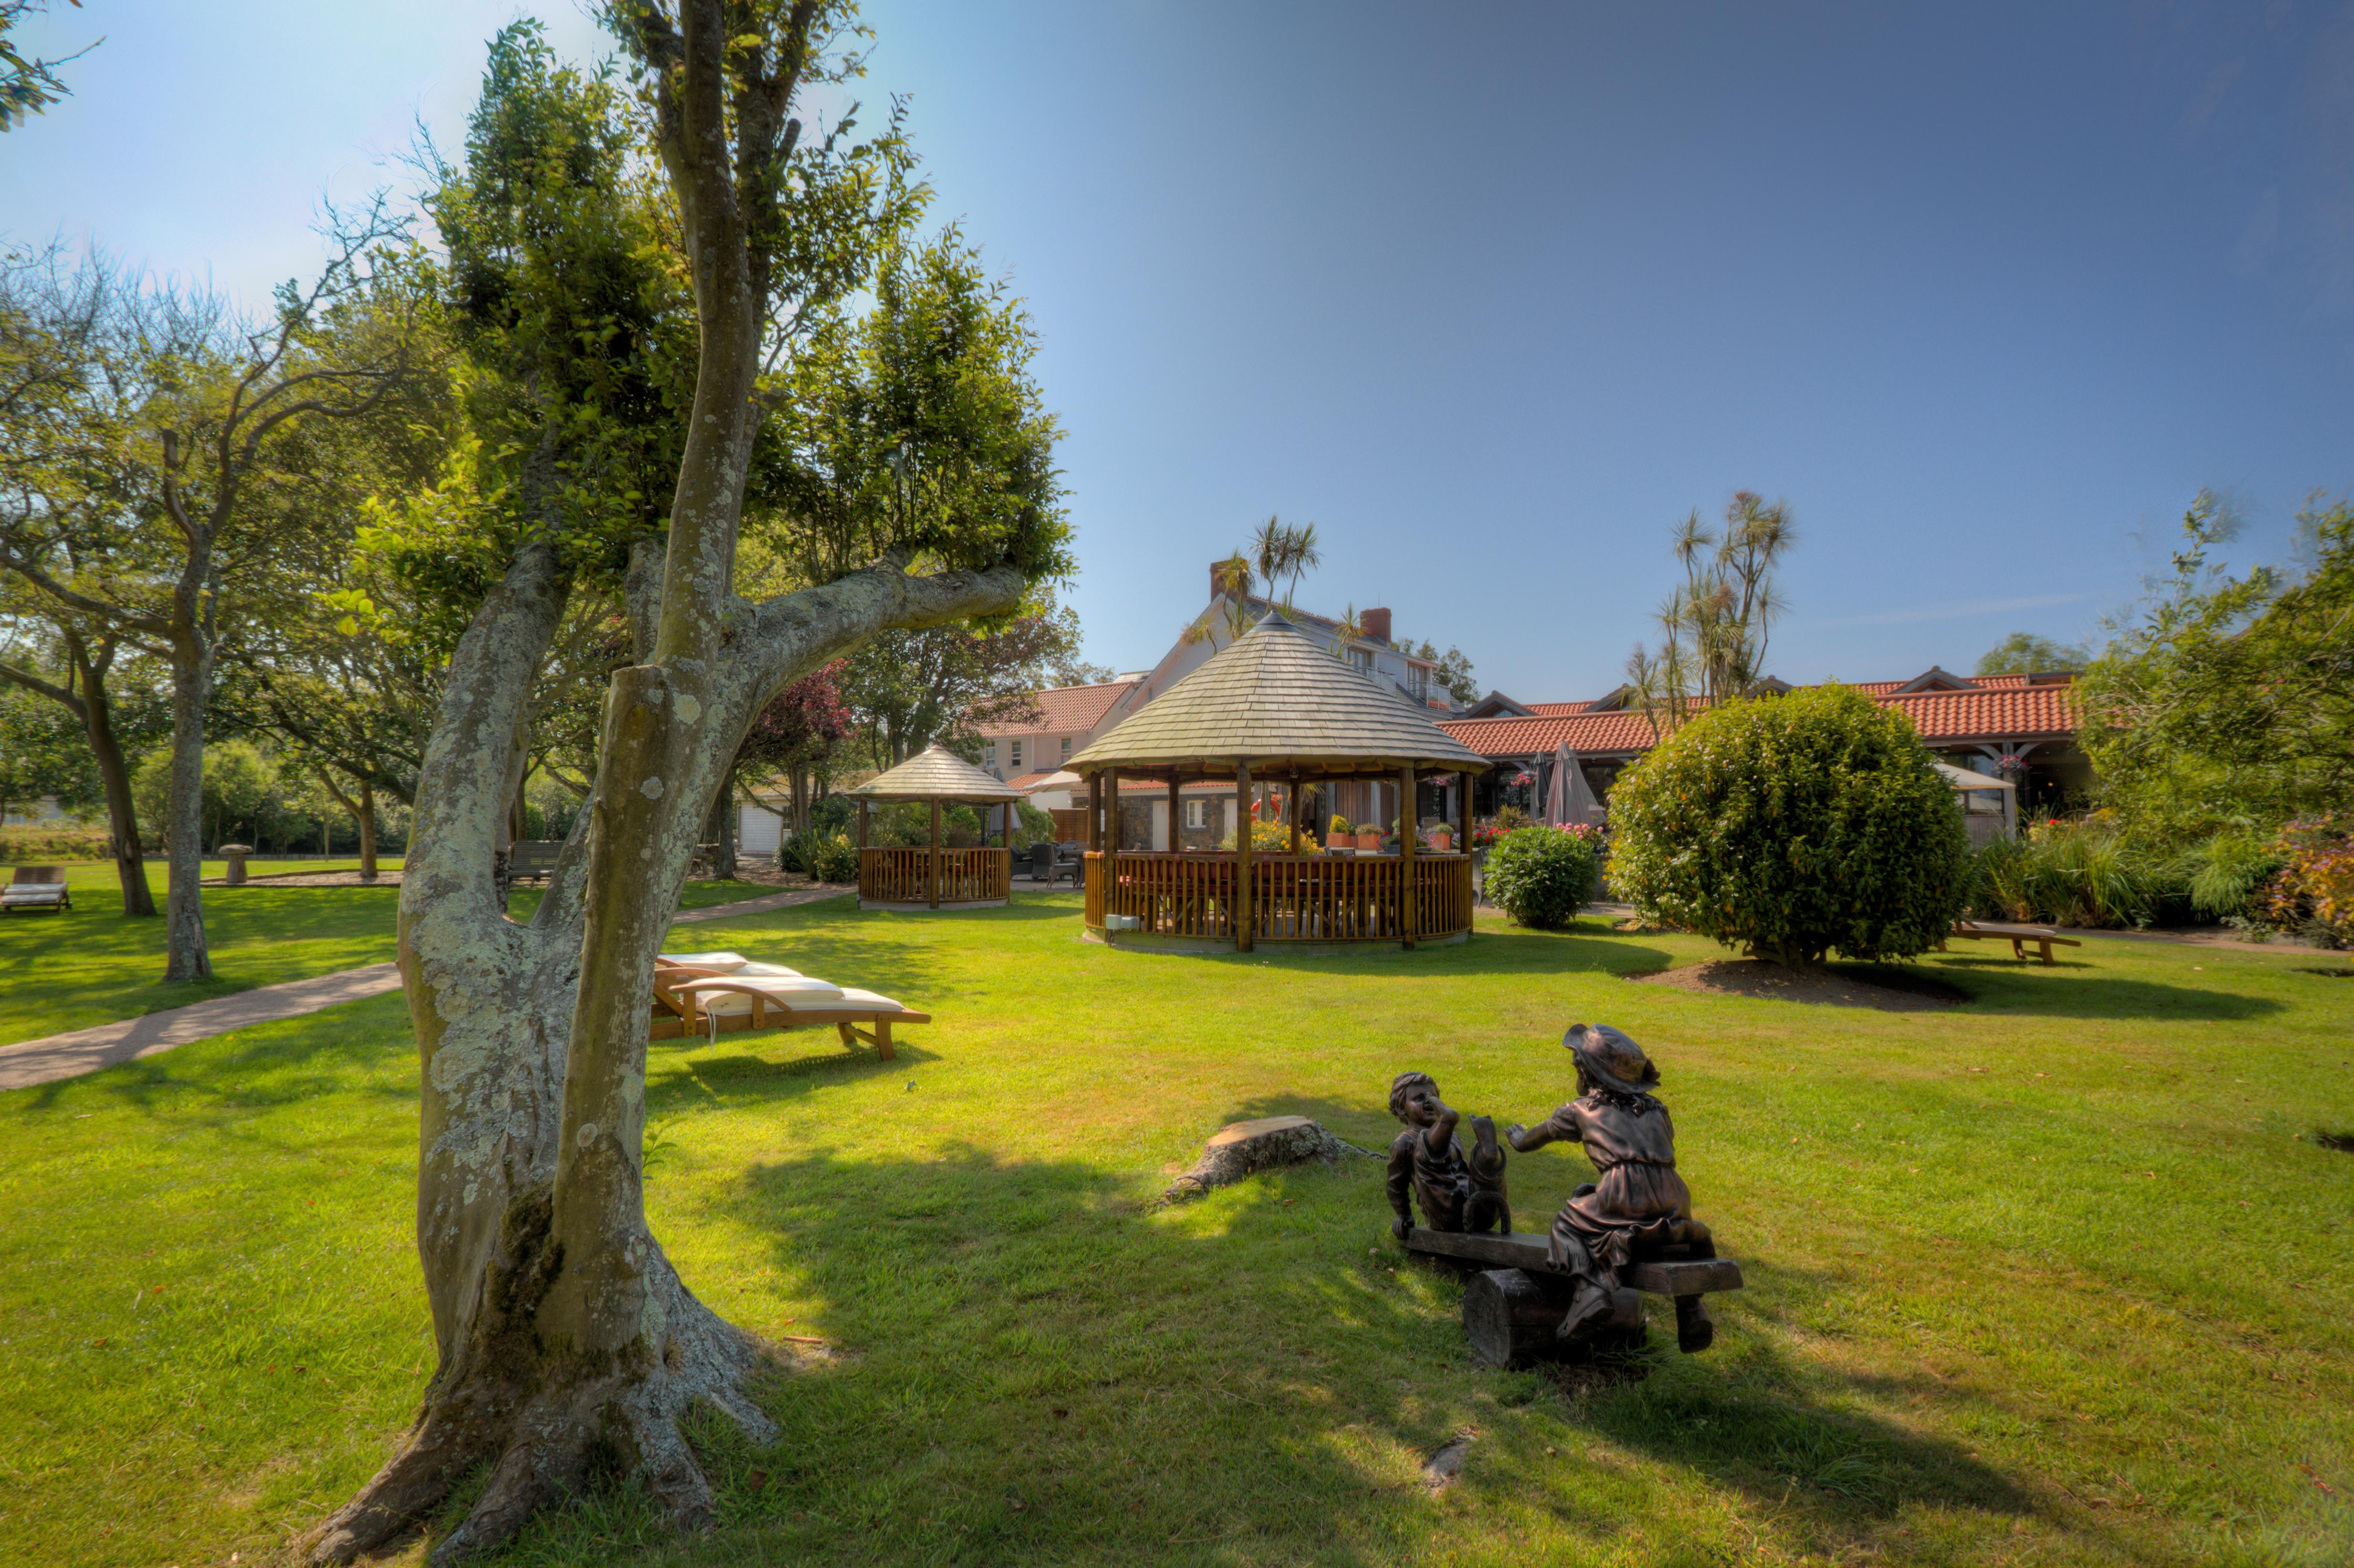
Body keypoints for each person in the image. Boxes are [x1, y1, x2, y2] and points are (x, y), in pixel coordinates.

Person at [1506, 1023, 1711, 1339]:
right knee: (1672, 1239)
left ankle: (1589, 1291)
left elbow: (1535, 1137)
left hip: (1624, 1191)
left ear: (1586, 1072)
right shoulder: (1657, 1108)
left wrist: (1519, 1139)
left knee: (1566, 1223)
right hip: (1674, 1194)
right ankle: (1691, 1308)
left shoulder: (1581, 1110)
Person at [1385, 1071, 1508, 1239]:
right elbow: (1396, 1185)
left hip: (1482, 1209)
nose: (1429, 1102)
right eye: (1420, 1098)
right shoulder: (1405, 1142)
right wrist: (1404, 1216)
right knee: (1426, 1155)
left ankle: (1487, 1159)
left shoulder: (1452, 1137)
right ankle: (1487, 1162)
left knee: (1481, 1175)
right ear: (1401, 1108)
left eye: (1433, 1097)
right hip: (1446, 1213)